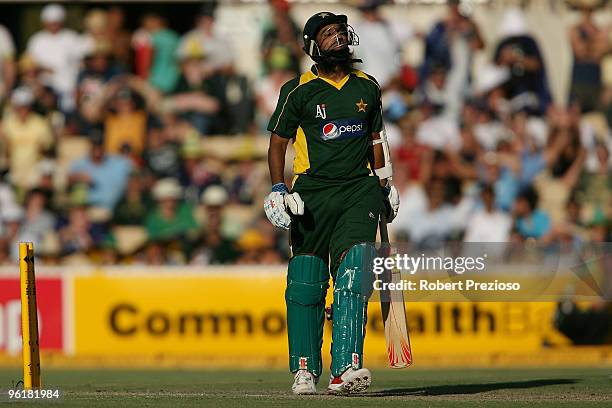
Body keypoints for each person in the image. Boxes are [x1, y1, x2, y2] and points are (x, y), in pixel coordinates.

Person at [263, 12, 399, 395]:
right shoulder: (299, 90)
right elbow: (278, 143)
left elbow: (376, 139)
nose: (337, 37)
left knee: (356, 271)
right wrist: (278, 187)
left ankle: (346, 368)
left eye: (340, 30)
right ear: (311, 46)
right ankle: (304, 369)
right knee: (306, 280)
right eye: (327, 33)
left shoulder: (368, 86)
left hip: (359, 189)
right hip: (311, 193)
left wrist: (386, 183)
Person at [27, 3, 93, 112]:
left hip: (69, 86)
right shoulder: (36, 40)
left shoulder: (72, 37)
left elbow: (84, 60)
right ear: (44, 22)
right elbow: (29, 65)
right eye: (50, 22)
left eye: (56, 22)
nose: (53, 25)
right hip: (45, 86)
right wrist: (42, 69)